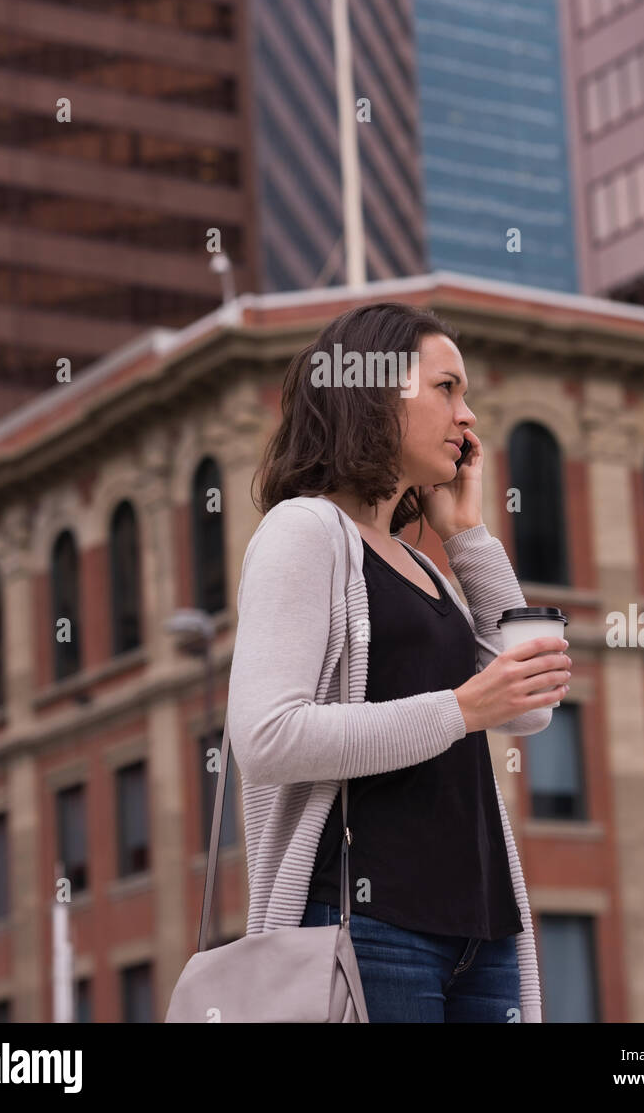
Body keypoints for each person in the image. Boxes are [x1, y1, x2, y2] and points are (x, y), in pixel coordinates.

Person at [226, 301, 571, 1022]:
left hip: (483, 933)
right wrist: (462, 709)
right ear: (375, 392)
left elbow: (532, 705)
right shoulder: (303, 531)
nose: (468, 415)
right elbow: (266, 739)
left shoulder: (423, 565)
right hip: (369, 926)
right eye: (446, 388)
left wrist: (467, 536)